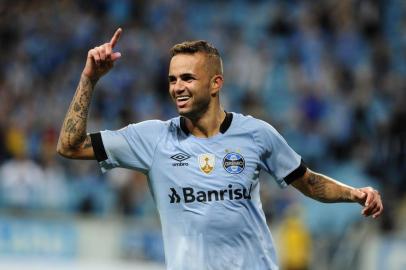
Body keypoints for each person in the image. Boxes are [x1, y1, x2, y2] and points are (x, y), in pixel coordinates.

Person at [57, 28, 383, 270]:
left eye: (187, 78)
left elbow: (308, 181)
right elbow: (69, 146)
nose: (177, 88)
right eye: (172, 80)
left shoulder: (256, 134)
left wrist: (355, 193)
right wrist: (90, 79)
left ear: (215, 84)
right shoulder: (151, 139)